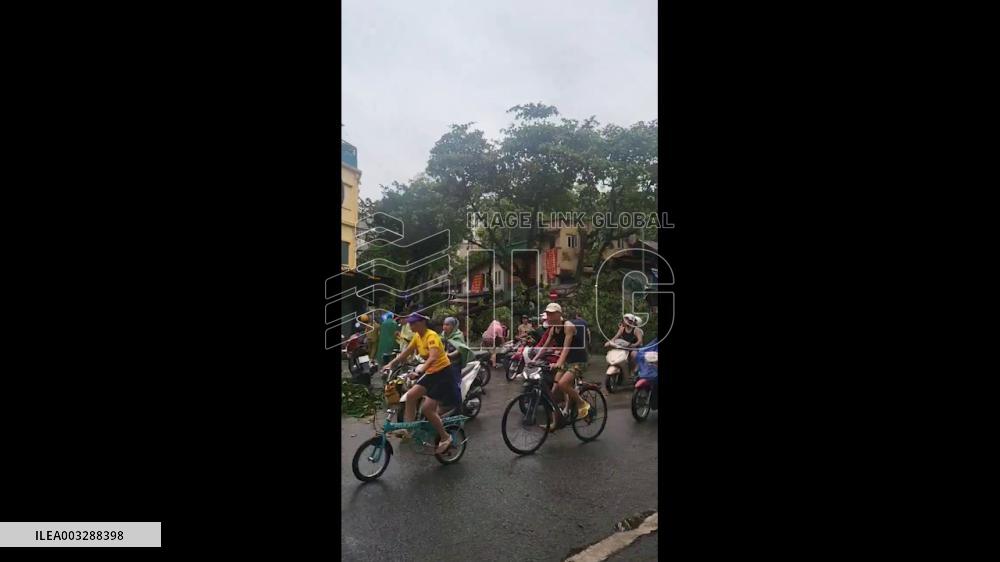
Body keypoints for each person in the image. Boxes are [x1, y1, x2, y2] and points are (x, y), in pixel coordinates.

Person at [381, 312, 462, 454]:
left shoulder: (432, 336)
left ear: (421, 323)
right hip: (431, 373)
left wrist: (419, 372)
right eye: (410, 323)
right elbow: (406, 352)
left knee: (427, 409)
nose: (410, 325)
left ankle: (445, 437)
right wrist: (391, 364)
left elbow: (433, 357)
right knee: (410, 396)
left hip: (443, 374)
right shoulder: (418, 336)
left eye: (413, 323)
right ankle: (409, 429)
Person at [540, 303, 590, 425]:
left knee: (563, 384)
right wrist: (533, 359)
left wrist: (558, 363)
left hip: (579, 360)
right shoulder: (552, 329)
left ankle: (581, 403)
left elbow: (566, 348)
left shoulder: (568, 326)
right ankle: (556, 422)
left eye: (551, 314)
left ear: (559, 314)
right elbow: (545, 346)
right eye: (547, 314)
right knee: (554, 390)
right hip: (567, 361)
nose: (549, 316)